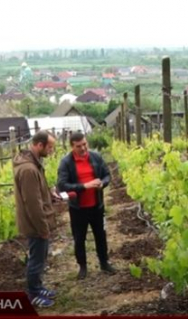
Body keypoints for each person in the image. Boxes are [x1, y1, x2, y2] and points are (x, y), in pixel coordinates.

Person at [57, 131, 116, 280]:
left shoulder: (96, 157)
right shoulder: (66, 162)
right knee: (79, 238)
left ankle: (104, 263)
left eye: (84, 144)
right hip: (78, 209)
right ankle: (82, 266)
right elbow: (62, 185)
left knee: (100, 235)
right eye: (79, 146)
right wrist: (85, 186)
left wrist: (102, 183)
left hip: (97, 205)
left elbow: (107, 174)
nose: (83, 148)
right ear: (72, 147)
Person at [13, 130, 57, 308]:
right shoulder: (28, 169)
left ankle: (38, 288)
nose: (52, 151)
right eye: (50, 147)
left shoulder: (33, 164)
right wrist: (42, 228)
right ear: (39, 145)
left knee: (40, 256)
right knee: (36, 260)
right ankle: (33, 295)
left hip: (38, 222)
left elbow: (37, 194)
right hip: (35, 223)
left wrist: (50, 194)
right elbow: (33, 204)